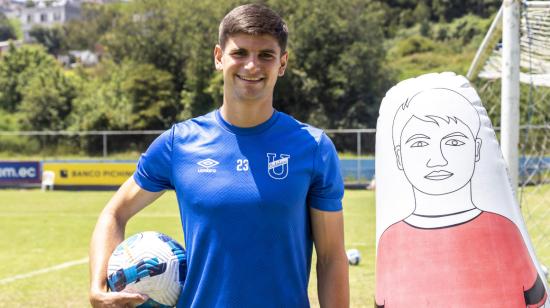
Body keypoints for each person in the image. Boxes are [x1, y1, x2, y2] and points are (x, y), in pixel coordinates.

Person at [89, 4, 349, 307]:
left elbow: (331, 258)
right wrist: (98, 286)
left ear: (282, 63)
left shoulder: (313, 148)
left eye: (266, 55)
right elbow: (113, 213)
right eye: (239, 53)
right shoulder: (178, 144)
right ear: (218, 57)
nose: (252, 65)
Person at [375, 87, 547, 307]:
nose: (437, 159)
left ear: (477, 149)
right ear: (398, 155)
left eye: (453, 142)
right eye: (419, 143)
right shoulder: (392, 240)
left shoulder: (503, 229)